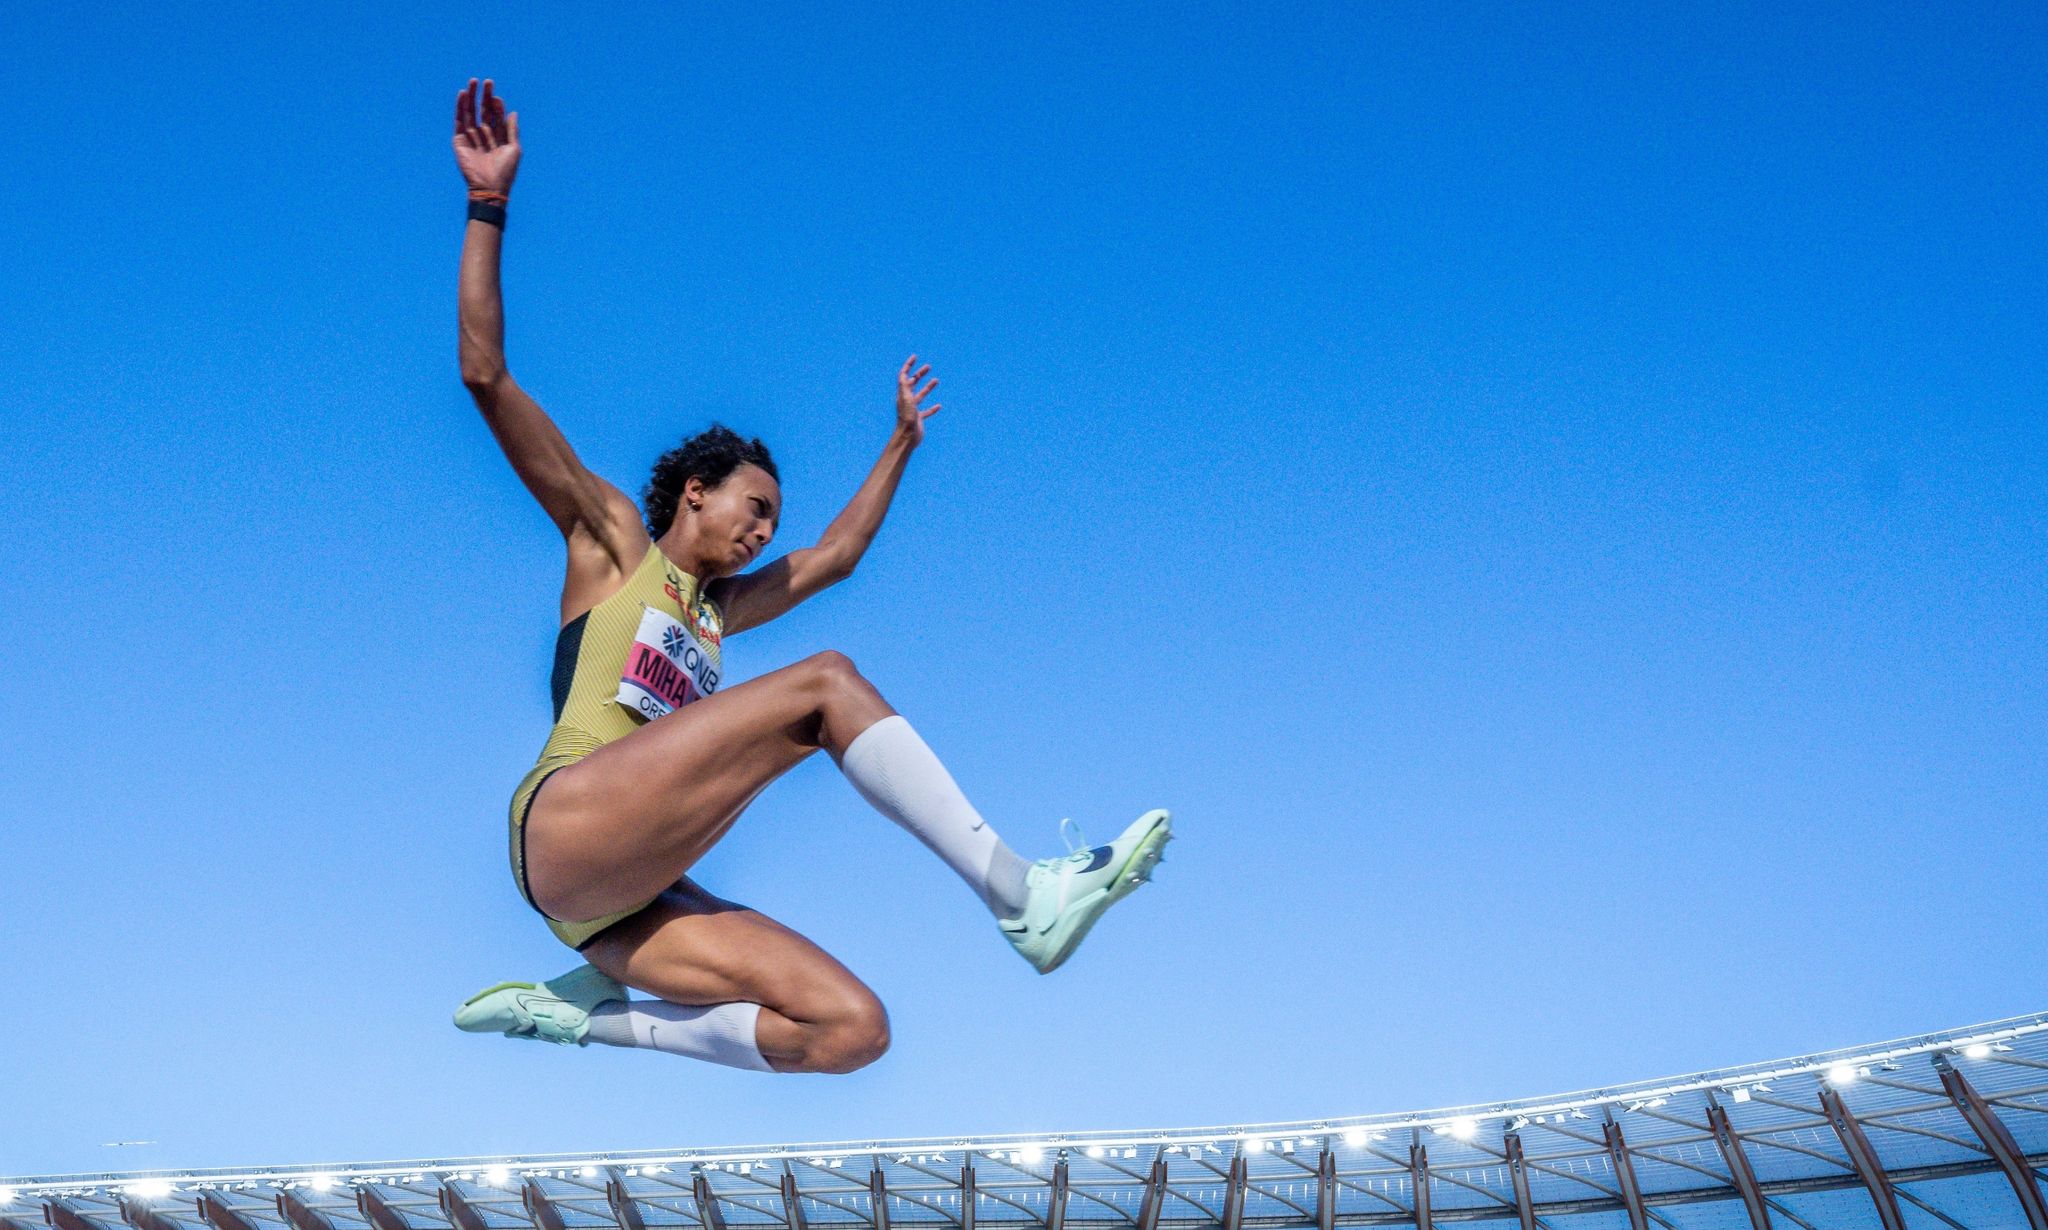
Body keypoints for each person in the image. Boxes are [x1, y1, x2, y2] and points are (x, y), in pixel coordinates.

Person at [445, 79, 1172, 1074]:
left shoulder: (718, 614)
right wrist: (488, 204)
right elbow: (484, 373)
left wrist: (900, 444)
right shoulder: (611, 543)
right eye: (752, 509)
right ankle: (1019, 893)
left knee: (850, 1030)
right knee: (825, 682)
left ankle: (579, 1019)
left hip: (620, 906)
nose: (761, 535)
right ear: (694, 492)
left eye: (771, 525)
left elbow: (837, 556)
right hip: (568, 826)